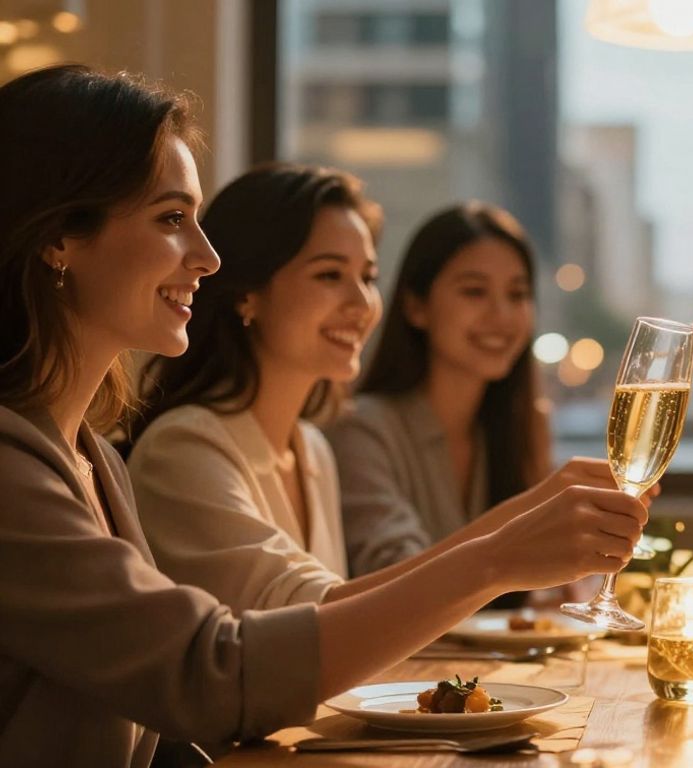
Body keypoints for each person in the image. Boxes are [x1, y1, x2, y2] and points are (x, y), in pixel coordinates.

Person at [0, 64, 644, 767]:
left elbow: (162, 729)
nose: (208, 256)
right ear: (59, 236)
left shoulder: (94, 460)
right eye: (171, 218)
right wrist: (497, 557)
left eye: (366, 276)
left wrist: (516, 534)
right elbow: (214, 673)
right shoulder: (29, 469)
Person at [326, 202, 626, 584]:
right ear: (417, 307)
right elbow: (390, 578)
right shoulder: (362, 431)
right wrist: (533, 511)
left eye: (517, 295)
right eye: (474, 292)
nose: (502, 315)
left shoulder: (520, 426)